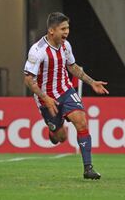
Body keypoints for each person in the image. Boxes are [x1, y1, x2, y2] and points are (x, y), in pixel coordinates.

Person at [23, 12, 109, 180]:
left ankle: (88, 168)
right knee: (60, 137)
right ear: (51, 31)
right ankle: (53, 130)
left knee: (81, 121)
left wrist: (91, 82)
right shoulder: (37, 51)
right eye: (63, 29)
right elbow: (28, 79)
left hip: (65, 90)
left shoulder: (66, 45)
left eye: (67, 28)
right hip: (45, 97)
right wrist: (45, 98)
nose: (66, 32)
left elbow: (72, 67)